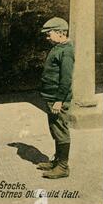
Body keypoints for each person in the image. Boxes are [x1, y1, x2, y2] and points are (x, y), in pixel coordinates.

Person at [36, 17, 74, 179]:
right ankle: (57, 161)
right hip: (51, 96)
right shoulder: (58, 47)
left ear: (60, 33)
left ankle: (63, 167)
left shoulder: (66, 51)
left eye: (48, 33)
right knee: (55, 129)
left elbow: (66, 79)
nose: (46, 37)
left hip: (57, 99)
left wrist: (59, 100)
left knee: (60, 130)